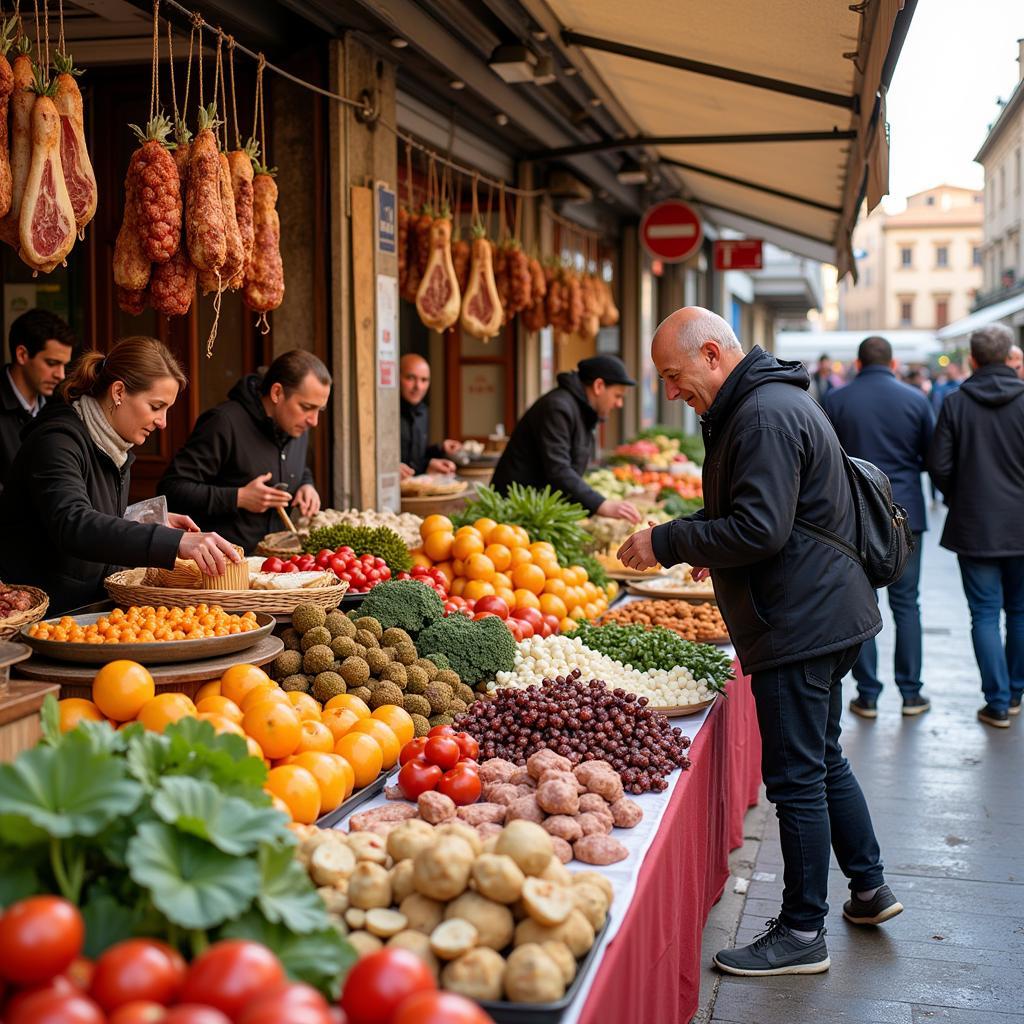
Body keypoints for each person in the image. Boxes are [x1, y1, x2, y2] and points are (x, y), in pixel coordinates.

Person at [618, 308, 899, 977]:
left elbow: (761, 529)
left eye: (674, 375)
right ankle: (869, 887)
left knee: (797, 776)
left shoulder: (764, 414)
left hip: (799, 620)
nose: (671, 392)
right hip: (822, 608)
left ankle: (802, 930)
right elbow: (765, 517)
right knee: (823, 758)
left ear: (713, 354)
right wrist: (698, 533)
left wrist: (668, 540)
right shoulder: (769, 401)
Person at [0, 337, 239, 614]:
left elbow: (93, 511)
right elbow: (73, 522)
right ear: (118, 392)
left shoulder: (114, 444)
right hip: (39, 617)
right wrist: (174, 543)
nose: (162, 423)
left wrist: (148, 519)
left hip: (90, 610)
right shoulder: (56, 440)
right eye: (155, 406)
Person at [823, 335, 934, 719]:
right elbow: (931, 456)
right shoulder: (916, 400)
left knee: (860, 605)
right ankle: (912, 694)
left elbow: (825, 460)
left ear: (857, 362)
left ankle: (867, 694)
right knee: (908, 605)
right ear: (892, 363)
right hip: (906, 515)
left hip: (852, 517)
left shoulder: (837, 400)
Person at [928, 323, 1024, 728]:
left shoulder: (955, 402)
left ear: (972, 359)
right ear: (1009, 357)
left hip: (975, 524)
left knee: (984, 613)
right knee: (1019, 612)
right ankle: (1015, 692)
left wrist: (960, 498)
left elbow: (940, 466)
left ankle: (997, 701)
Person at [158, 350, 331, 553]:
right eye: (306, 407)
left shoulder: (297, 425)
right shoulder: (223, 422)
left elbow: (297, 466)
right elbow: (172, 489)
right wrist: (239, 497)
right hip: (223, 568)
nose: (314, 421)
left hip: (277, 566)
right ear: (277, 393)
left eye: (319, 410)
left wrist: (306, 484)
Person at [491, 354, 641, 522]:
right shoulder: (558, 408)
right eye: (617, 396)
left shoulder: (580, 410)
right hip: (514, 511)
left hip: (538, 511)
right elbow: (558, 469)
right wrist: (601, 504)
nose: (619, 404)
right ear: (599, 386)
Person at [0, 309, 76, 494]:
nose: (61, 375)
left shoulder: (62, 407)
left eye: (64, 365)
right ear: (22, 355)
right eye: (51, 363)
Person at [399, 353, 461, 478]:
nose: (418, 386)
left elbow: (414, 459)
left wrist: (440, 450)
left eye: (424, 380)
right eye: (410, 378)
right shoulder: (385, 413)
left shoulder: (423, 412)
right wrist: (388, 468)